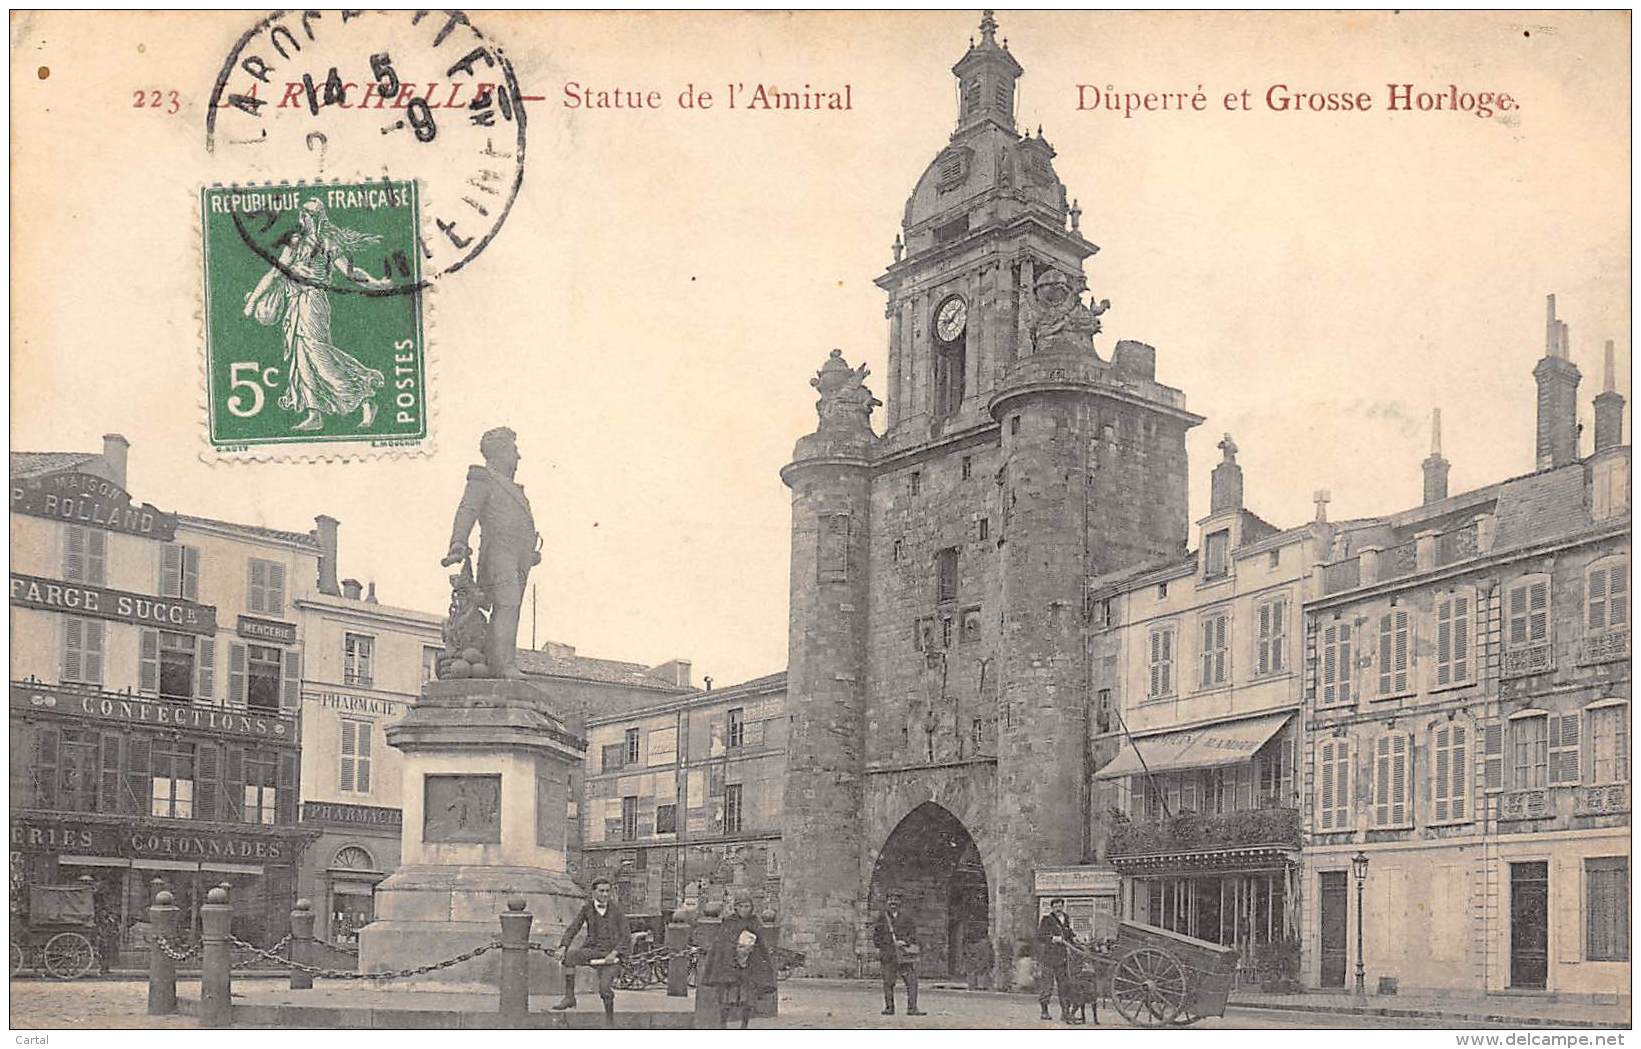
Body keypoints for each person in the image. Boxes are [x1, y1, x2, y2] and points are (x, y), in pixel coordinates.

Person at [242, 198, 393, 432]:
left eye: (310, 215)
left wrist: (375, 284)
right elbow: (274, 272)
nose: (305, 219)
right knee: (302, 358)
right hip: (295, 303)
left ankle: (364, 395)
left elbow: (351, 272)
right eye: (304, 214)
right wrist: (253, 301)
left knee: (319, 355)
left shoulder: (328, 243)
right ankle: (315, 415)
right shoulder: (294, 242)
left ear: (317, 217)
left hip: (313, 302)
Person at [443, 427, 542, 679]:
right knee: (507, 604)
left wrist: (530, 552)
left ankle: (503, 661)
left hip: (519, 557)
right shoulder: (482, 478)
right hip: (498, 552)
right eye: (514, 451)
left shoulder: (514, 488)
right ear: (501, 453)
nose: (518, 457)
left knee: (512, 606)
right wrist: (457, 542)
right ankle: (503, 666)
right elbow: (467, 509)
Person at [552, 877, 629, 1027]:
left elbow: (626, 936)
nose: (605, 894)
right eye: (601, 891)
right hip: (593, 950)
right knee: (569, 957)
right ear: (593, 892)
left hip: (612, 956)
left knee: (604, 989)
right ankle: (569, 997)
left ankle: (609, 1022)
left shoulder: (617, 910)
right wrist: (563, 946)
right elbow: (573, 928)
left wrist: (615, 953)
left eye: (608, 891)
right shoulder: (587, 908)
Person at [700, 894, 777, 1029]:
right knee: (727, 999)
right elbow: (722, 943)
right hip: (731, 967)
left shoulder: (754, 922)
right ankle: (723, 1024)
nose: (744, 909)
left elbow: (761, 945)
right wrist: (733, 952)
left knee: (747, 1000)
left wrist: (753, 953)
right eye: (741, 906)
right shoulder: (729, 922)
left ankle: (744, 1025)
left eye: (747, 906)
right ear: (736, 907)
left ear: (751, 908)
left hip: (749, 968)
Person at [873, 892, 924, 1016]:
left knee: (911, 982)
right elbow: (876, 938)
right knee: (888, 982)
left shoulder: (907, 918)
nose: (893, 903)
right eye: (890, 900)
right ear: (887, 903)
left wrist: (904, 942)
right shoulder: (882, 918)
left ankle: (912, 1008)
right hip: (889, 956)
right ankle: (889, 1008)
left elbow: (913, 935)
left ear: (900, 903)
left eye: (895, 900)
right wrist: (889, 944)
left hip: (904, 956)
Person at [1036, 897, 1079, 1023]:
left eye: (1060, 906)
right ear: (1052, 908)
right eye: (1055, 907)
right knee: (1047, 986)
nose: (1058, 909)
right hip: (1049, 958)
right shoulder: (1047, 920)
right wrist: (1053, 939)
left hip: (1062, 958)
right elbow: (1040, 936)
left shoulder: (1065, 918)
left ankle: (1065, 1013)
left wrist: (1075, 939)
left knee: (1064, 986)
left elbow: (1069, 934)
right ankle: (1044, 1011)